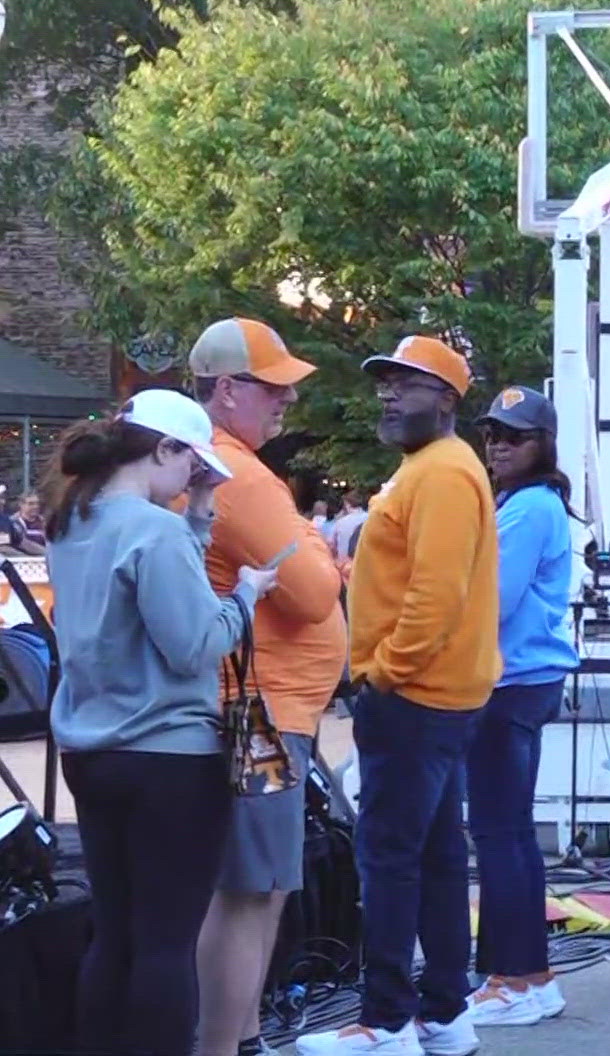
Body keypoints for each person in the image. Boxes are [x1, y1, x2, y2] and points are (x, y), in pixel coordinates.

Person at [44, 390, 277, 1056]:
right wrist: (244, 600)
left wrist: (197, 516)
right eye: (190, 464)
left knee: (115, 932)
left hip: (91, 750)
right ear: (163, 450)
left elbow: (154, 592)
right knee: (167, 944)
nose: (190, 479)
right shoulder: (155, 531)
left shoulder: (74, 521)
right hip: (170, 756)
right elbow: (195, 644)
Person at [296, 336, 501, 1056]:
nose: (389, 394)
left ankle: (384, 1021)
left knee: (388, 857)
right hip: (435, 695)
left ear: (448, 400)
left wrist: (382, 670)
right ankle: (444, 1014)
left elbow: (435, 594)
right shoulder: (433, 467)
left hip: (414, 695)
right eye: (385, 383)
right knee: (438, 855)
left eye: (407, 385)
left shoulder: (440, 474)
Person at [186, 317, 349, 1056]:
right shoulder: (240, 475)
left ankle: (241, 1035)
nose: (286, 400)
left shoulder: (226, 466)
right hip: (260, 712)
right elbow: (314, 592)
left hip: (265, 710)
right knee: (250, 891)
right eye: (272, 387)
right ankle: (229, 1044)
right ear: (226, 391)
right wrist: (314, 541)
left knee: (264, 887)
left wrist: (306, 541)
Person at [462, 386, 579, 1027]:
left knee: (500, 834)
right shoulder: (527, 503)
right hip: (519, 682)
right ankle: (524, 975)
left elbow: (490, 601)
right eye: (493, 434)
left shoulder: (529, 508)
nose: (498, 445)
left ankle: (513, 978)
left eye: (514, 436)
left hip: (510, 684)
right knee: (508, 834)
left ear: (542, 445)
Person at [329, 489, 369, 563]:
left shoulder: (340, 523)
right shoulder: (370, 518)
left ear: (347, 504)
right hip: (365, 564)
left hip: (344, 565)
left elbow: (331, 545)